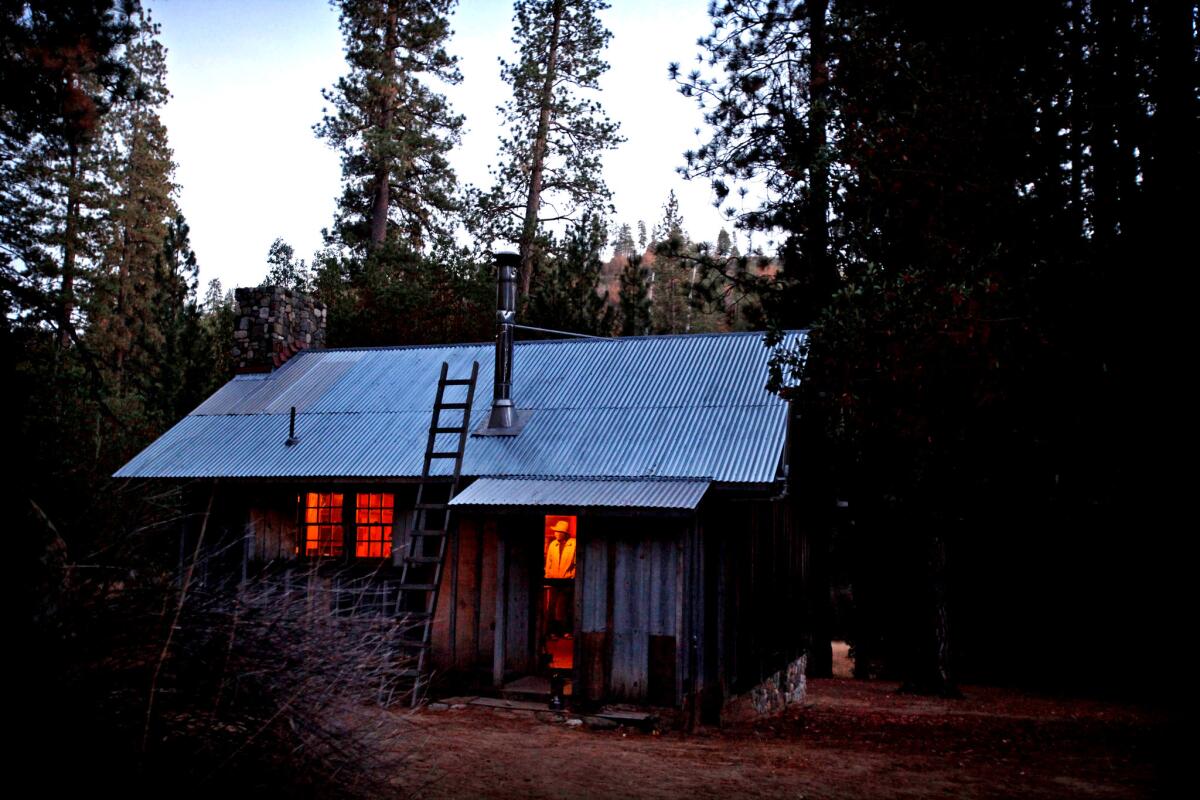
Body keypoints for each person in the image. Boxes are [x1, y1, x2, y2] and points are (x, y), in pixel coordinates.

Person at [544, 520, 575, 638]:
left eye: (558, 532)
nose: (556, 534)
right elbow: (549, 563)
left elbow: (576, 563)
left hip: (567, 581)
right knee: (552, 606)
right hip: (554, 580)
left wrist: (572, 575)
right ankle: (552, 632)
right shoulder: (553, 545)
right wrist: (548, 576)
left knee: (564, 606)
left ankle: (566, 631)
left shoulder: (573, 545)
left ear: (564, 533)